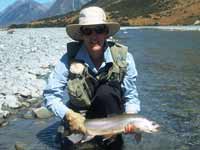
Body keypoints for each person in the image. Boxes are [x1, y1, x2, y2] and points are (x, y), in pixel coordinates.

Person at [43, 6, 140, 150]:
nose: (94, 36)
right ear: (81, 34)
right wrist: (69, 115)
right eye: (87, 31)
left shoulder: (124, 58)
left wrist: (129, 119)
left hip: (110, 118)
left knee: (107, 91)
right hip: (80, 118)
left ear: (106, 33)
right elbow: (50, 95)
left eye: (99, 30)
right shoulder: (68, 59)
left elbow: (131, 96)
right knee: (68, 146)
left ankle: (111, 137)